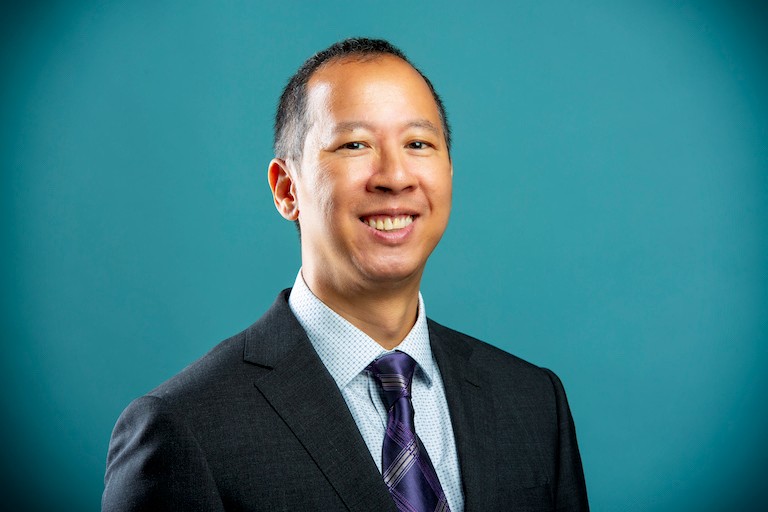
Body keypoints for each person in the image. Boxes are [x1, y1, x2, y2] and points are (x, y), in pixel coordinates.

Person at [102, 37, 589, 512]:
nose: (395, 176)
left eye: (418, 143)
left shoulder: (532, 402)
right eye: (355, 144)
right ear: (286, 189)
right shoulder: (185, 427)